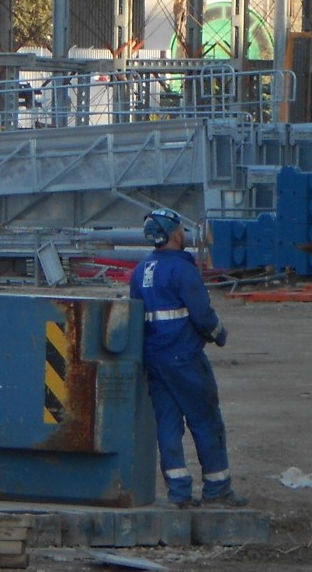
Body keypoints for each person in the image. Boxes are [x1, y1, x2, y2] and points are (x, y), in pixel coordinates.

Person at [129, 208, 248, 509]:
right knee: (206, 420)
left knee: (168, 424)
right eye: (181, 228)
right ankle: (218, 488)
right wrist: (219, 334)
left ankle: (179, 493)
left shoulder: (140, 271)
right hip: (184, 358)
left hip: (154, 359)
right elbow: (202, 314)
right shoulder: (182, 270)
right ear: (174, 233)